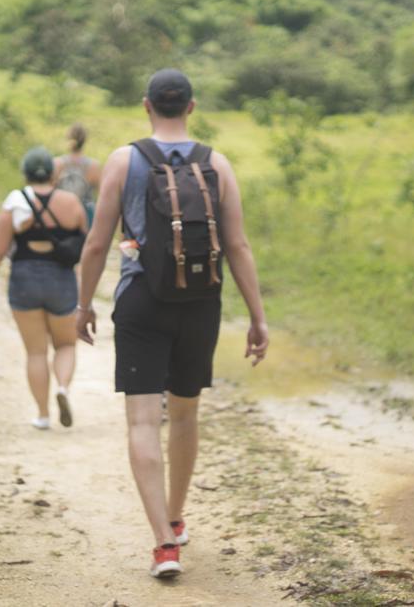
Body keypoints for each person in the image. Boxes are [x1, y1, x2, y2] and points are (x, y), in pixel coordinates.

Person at [75, 69, 269, 579]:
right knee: (184, 414)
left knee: (142, 420)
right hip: (201, 301)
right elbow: (238, 245)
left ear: (147, 106)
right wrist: (257, 315)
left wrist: (82, 305)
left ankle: (164, 543)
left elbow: (97, 242)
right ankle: (178, 517)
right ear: (191, 106)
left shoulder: (124, 159)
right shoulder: (217, 163)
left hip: (142, 299)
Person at [0, 147, 87, 429]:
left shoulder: (16, 204)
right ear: (53, 173)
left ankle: (42, 415)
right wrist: (86, 294)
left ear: (25, 172)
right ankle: (62, 388)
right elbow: (86, 249)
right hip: (61, 280)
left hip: (24, 279)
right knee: (65, 344)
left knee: (36, 352)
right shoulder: (72, 203)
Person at [53, 123, 101, 227]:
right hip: (86, 215)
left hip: (61, 213)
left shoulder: (57, 163)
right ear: (84, 141)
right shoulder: (93, 166)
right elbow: (101, 197)